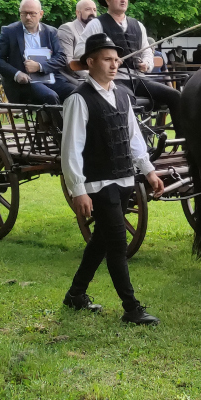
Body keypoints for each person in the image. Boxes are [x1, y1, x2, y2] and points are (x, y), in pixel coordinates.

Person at [62, 33, 165, 325]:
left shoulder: (121, 94)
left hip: (123, 179)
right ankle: (131, 308)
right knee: (118, 244)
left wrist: (148, 170)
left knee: (101, 241)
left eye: (116, 60)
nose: (114, 65)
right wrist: (78, 190)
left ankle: (75, 295)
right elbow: (71, 149)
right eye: (107, 59)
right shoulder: (79, 99)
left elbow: (133, 136)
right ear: (90, 62)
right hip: (98, 183)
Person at [76, 0, 183, 131]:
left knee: (175, 96)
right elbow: (79, 51)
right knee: (127, 99)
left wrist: (146, 64)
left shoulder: (138, 25)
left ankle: (183, 139)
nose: (123, 0)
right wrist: (107, 58)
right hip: (113, 80)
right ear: (108, 1)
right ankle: (131, 140)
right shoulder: (96, 25)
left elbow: (147, 51)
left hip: (138, 79)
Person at [0, 0, 78, 104]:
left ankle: (70, 116)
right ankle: (53, 116)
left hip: (51, 79)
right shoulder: (9, 32)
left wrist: (39, 66)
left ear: (41, 14)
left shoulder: (51, 32)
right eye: (24, 13)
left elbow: (61, 58)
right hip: (25, 83)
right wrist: (16, 74)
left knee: (77, 93)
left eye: (32, 14)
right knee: (50, 96)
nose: (28, 17)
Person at [59, 0, 98, 80]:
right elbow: (68, 61)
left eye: (94, 10)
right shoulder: (67, 29)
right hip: (74, 77)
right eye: (88, 9)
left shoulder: (97, 31)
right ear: (78, 12)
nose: (92, 13)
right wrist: (93, 76)